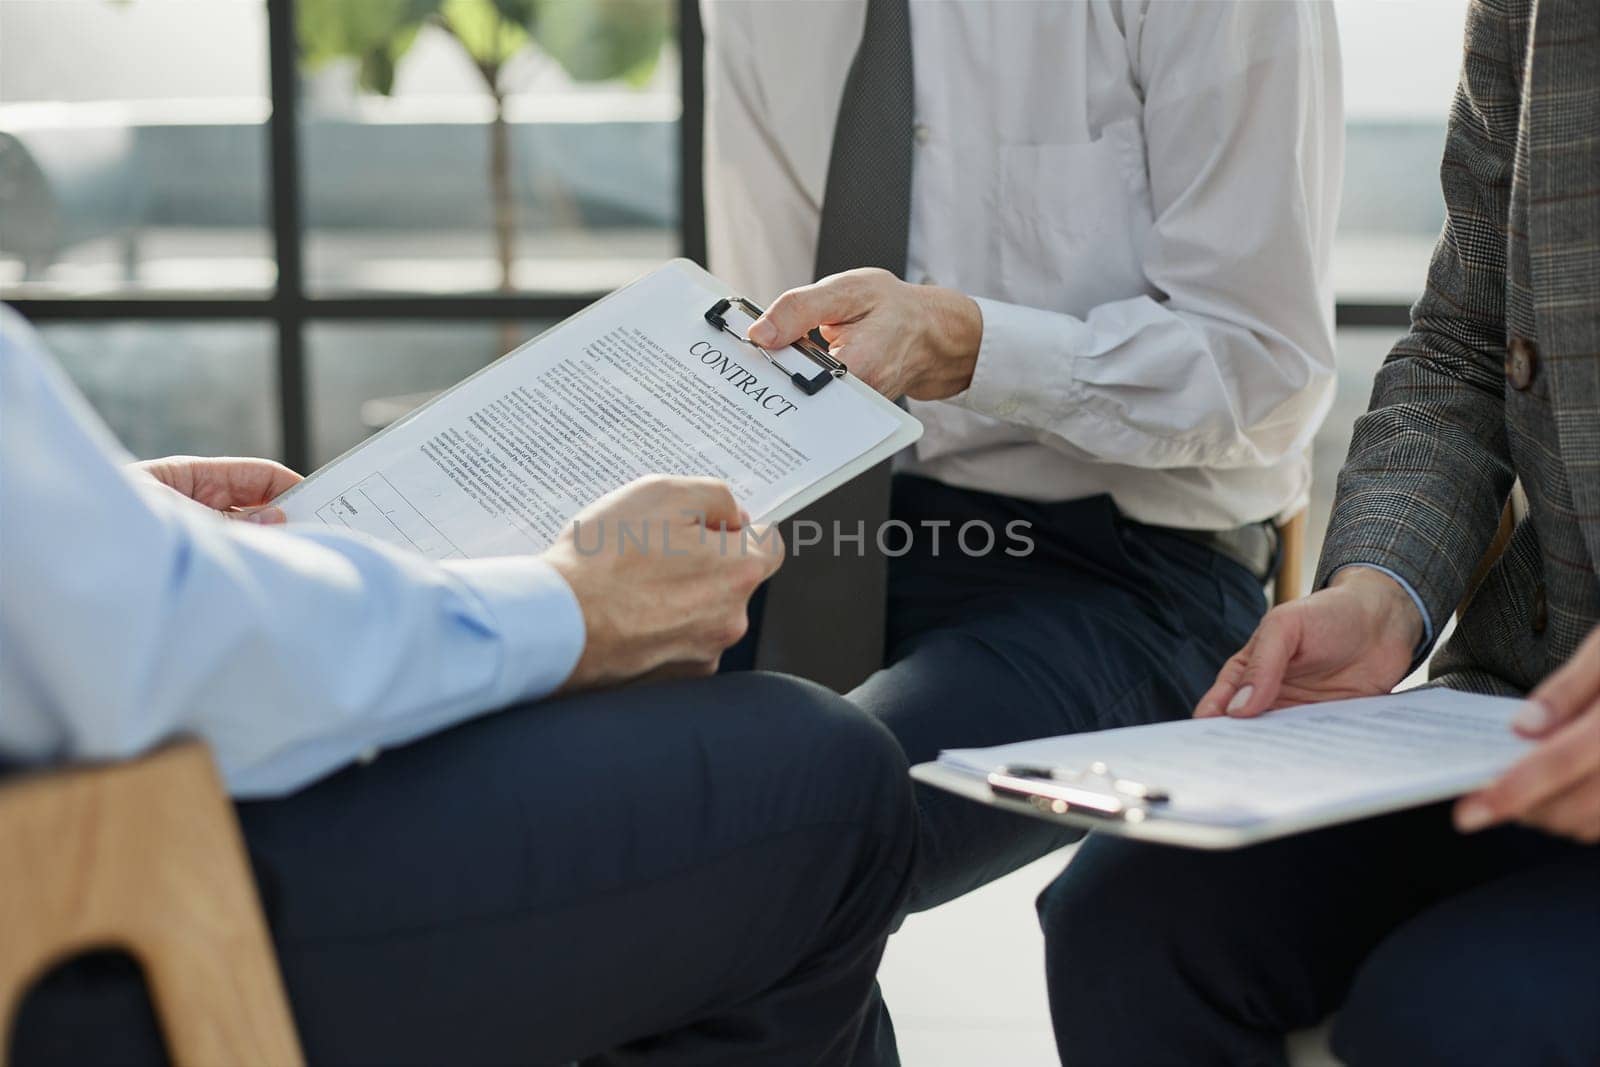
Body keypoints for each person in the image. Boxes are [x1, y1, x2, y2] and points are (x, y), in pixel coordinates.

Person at [0, 305, 916, 1066]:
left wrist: (102, 525)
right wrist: (574, 610)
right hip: (95, 917)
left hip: (79, 841)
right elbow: (167, 661)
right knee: (822, 785)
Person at [1040, 2, 1600, 1063]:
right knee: (1124, 915)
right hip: (1526, 714)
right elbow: (1463, 345)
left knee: (1449, 1015)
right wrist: (1381, 588)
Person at [702, 0, 1342, 912]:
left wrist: (977, 349)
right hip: (841, 525)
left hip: (1127, 562)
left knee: (797, 833)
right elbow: (770, 327)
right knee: (594, 790)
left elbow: (1265, 373)